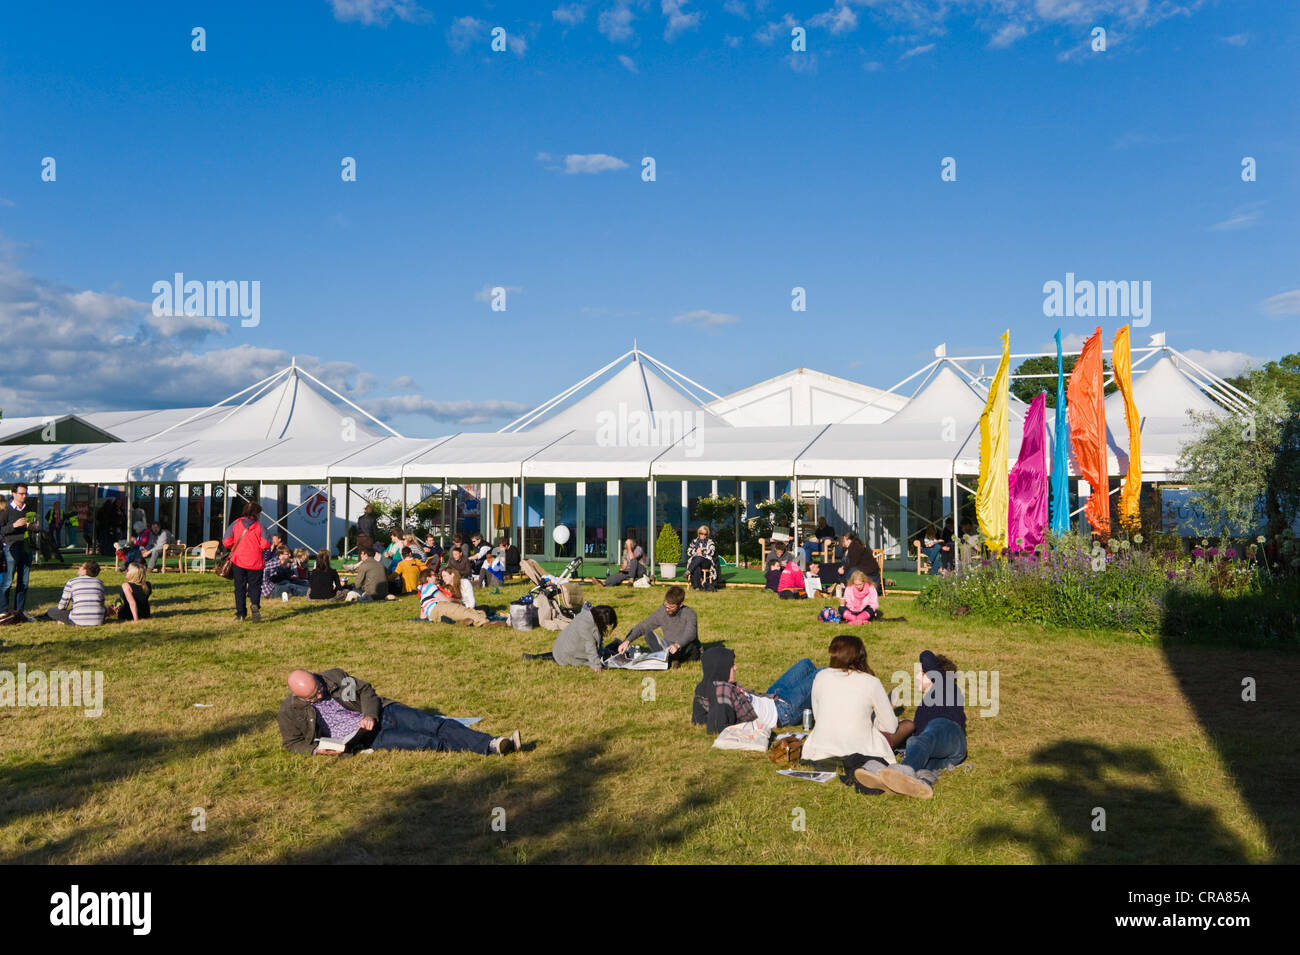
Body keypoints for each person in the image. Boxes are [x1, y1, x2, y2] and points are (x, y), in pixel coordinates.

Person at [278, 668, 521, 756]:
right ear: (298, 696)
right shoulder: (289, 712)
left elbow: (365, 691)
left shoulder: (333, 677)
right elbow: (292, 743)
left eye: (319, 690)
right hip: (366, 739)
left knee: (433, 723)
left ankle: (492, 743)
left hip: (384, 713)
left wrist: (370, 715)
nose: (320, 696)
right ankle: (478, 747)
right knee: (423, 742)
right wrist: (315, 750)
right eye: (313, 697)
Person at [802, 635, 906, 795]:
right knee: (907, 725)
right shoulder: (871, 682)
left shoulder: (821, 677)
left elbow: (818, 714)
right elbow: (891, 727)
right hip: (860, 752)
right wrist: (876, 719)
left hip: (820, 753)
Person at [859, 650, 968, 799]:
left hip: (950, 734)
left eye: (922, 673)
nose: (917, 676)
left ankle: (898, 772)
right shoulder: (926, 704)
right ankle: (917, 781)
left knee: (927, 735)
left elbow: (926, 655)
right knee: (918, 751)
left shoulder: (945, 685)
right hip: (943, 755)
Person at [692, 646, 819, 733]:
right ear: (720, 669)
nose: (736, 668)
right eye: (731, 665)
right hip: (783, 712)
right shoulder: (722, 691)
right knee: (822, 674)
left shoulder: (705, 686)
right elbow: (719, 727)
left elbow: (698, 719)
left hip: (771, 696)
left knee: (805, 664)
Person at [614, 585, 701, 667]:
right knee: (648, 635)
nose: (667, 609)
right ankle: (669, 659)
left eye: (671, 607)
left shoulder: (690, 613)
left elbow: (691, 633)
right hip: (669, 647)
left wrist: (678, 645)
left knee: (690, 645)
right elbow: (644, 626)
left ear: (680, 604)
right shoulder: (662, 612)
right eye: (666, 606)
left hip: (685, 648)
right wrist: (627, 640)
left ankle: (671, 659)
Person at [524, 604, 618, 670]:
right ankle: (533, 657)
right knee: (603, 657)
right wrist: (597, 666)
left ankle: (533, 657)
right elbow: (590, 647)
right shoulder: (587, 625)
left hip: (562, 647)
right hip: (568, 653)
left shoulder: (588, 615)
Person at [222, 501, 271, 622]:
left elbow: (226, 541)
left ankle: (241, 614)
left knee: (239, 587)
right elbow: (265, 544)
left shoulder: (236, 524)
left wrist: (235, 546)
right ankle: (255, 604)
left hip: (239, 560)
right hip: (256, 561)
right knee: (255, 586)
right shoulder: (260, 526)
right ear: (257, 514)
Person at [1, 483, 41, 616]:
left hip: (26, 547)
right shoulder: (5, 511)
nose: (24, 496)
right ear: (13, 494)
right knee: (7, 582)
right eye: (21, 493)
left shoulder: (29, 509)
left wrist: (34, 527)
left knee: (24, 582)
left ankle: (19, 610)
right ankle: (3, 610)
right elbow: (1, 530)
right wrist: (14, 525)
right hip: (11, 548)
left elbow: (37, 527)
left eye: (25, 493)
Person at [43, 559, 106, 626]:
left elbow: (62, 606)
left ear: (85, 571)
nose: (79, 568)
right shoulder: (100, 583)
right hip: (99, 620)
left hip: (77, 620)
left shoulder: (72, 582)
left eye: (81, 566)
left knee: (51, 610)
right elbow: (101, 604)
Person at [417, 567, 488, 626]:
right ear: (428, 578)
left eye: (444, 576)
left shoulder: (424, 590)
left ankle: (461, 622)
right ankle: (484, 622)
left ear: (452, 575)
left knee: (460, 613)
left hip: (435, 616)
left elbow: (423, 616)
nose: (437, 577)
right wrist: (459, 601)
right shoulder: (430, 586)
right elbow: (446, 600)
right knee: (461, 611)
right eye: (434, 575)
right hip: (439, 608)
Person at [837, 532, 882, 596]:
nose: (844, 543)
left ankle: (844, 586)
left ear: (848, 540)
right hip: (870, 571)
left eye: (844, 541)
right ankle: (844, 585)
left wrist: (843, 569)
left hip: (870, 573)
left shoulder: (854, 547)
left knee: (852, 570)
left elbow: (853, 563)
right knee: (849, 569)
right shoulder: (855, 545)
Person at [685, 525, 720, 591]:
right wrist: (696, 551)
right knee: (697, 565)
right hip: (696, 561)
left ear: (707, 534)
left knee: (699, 558)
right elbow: (688, 552)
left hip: (706, 561)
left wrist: (703, 551)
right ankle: (697, 587)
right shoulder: (694, 542)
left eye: (705, 534)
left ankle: (689, 570)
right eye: (701, 534)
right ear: (699, 533)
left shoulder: (710, 542)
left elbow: (712, 552)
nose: (703, 536)